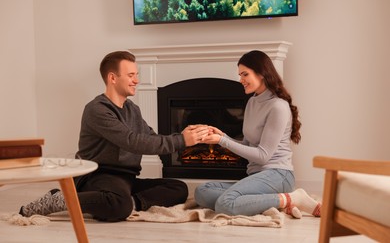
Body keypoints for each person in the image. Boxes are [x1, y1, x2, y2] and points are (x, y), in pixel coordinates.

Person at [19, 51, 209, 221]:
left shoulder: (132, 109)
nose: (136, 80)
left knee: (179, 188)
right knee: (119, 205)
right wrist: (181, 140)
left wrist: (186, 135)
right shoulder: (97, 109)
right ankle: (59, 199)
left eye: (137, 75)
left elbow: (150, 137)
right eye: (131, 75)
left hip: (125, 178)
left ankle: (126, 204)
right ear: (112, 78)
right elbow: (132, 141)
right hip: (97, 175)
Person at [194, 50, 321, 217]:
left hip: (278, 174)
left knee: (225, 204)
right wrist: (223, 136)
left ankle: (292, 198)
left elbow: (262, 156)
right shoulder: (252, 102)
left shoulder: (278, 107)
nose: (241, 80)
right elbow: (247, 146)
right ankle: (275, 202)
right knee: (201, 192)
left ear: (261, 73)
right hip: (256, 175)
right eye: (240, 75)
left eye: (245, 74)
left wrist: (221, 141)